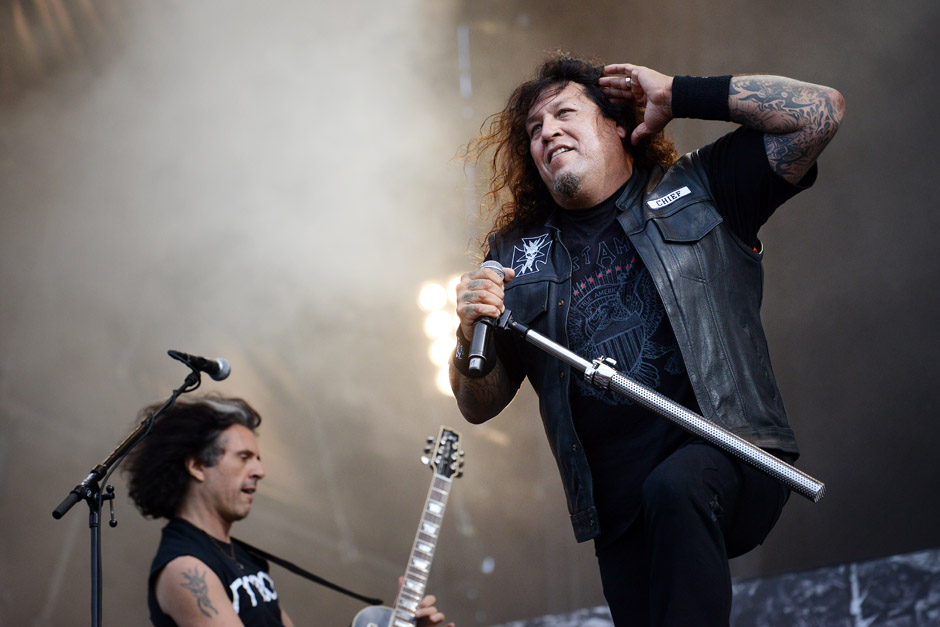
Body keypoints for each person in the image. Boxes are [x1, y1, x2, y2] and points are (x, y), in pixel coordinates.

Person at [450, 53, 844, 626]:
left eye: (564, 114)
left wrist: (681, 94)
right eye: (534, 129)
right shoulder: (516, 255)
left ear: (616, 123)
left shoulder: (702, 187)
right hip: (619, 511)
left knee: (674, 487)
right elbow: (476, 404)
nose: (547, 132)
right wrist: (467, 333)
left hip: (734, 454)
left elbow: (820, 111)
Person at [123, 395, 454, 627]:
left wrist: (394, 623)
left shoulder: (245, 559)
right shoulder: (185, 567)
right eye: (243, 458)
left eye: (258, 459)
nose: (260, 471)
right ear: (197, 466)